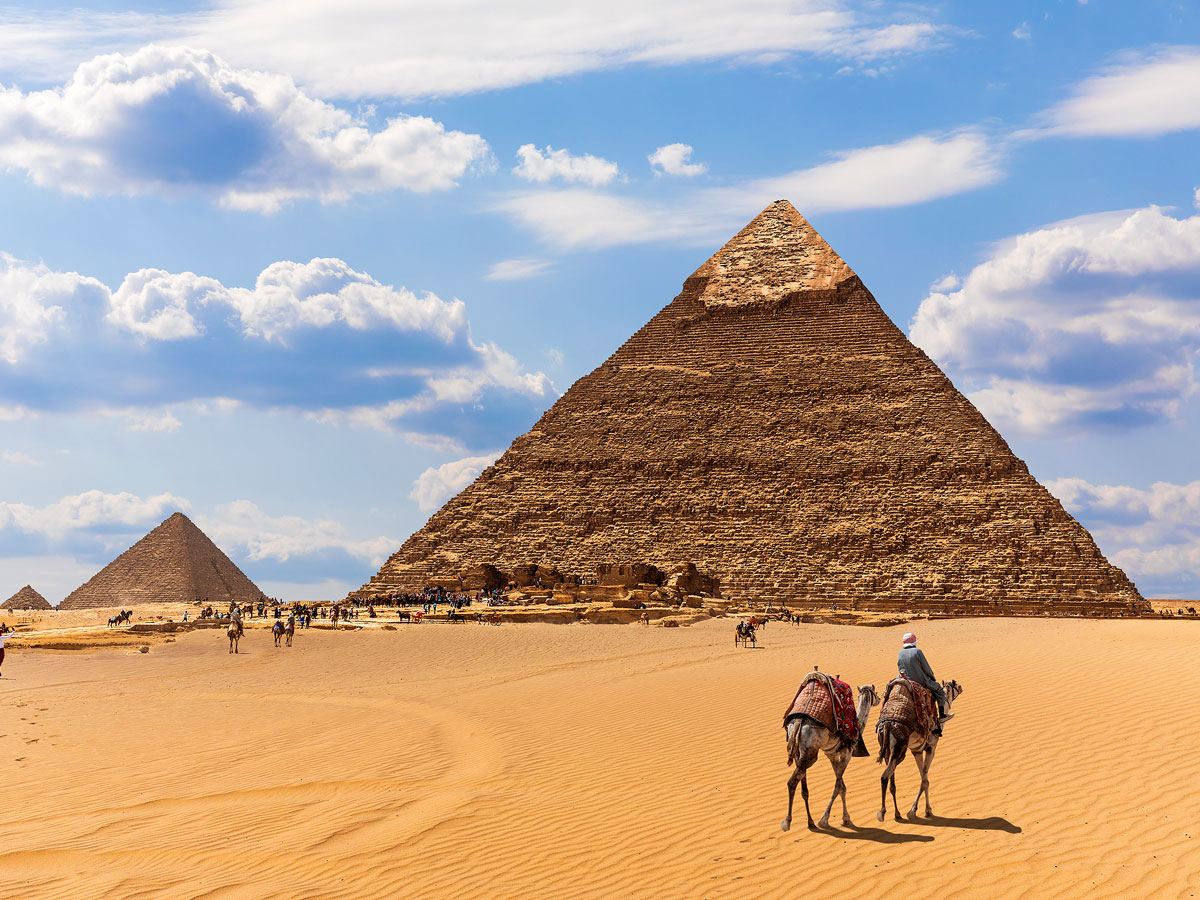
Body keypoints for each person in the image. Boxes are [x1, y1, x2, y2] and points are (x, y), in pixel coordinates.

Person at [897, 632, 953, 724]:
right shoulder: (917, 651)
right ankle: (942, 715)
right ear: (914, 642)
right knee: (939, 690)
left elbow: (900, 667)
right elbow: (926, 668)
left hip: (905, 680)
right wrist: (932, 678)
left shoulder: (900, 652)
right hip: (921, 681)